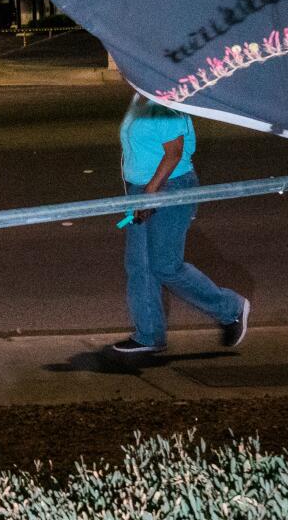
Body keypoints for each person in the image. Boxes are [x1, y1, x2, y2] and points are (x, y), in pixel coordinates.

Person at [106, 92, 250, 358]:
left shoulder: (163, 101)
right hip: (142, 189)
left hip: (169, 187)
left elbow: (174, 154)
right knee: (140, 264)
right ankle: (148, 335)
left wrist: (151, 192)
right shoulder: (140, 97)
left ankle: (231, 309)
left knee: (165, 264)